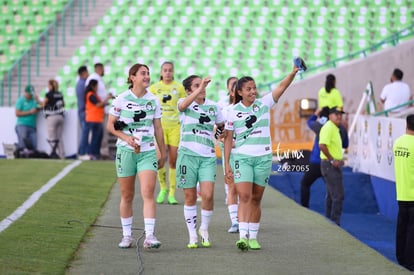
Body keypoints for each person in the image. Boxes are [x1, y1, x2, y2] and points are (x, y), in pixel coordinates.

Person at [224, 64, 300, 251]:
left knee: (257, 198)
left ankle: (253, 237)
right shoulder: (231, 112)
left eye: (254, 88)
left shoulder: (264, 104)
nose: (253, 91)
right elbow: (228, 139)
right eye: (248, 89)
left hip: (263, 158)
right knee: (245, 196)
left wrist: (292, 72)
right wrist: (227, 164)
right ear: (239, 92)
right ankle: (242, 237)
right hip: (242, 158)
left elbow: (281, 87)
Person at [107, 63, 166, 250]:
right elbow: (110, 125)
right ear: (132, 77)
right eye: (143, 73)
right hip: (125, 152)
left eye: (148, 73)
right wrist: (126, 138)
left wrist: (162, 151)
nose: (147, 76)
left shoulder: (154, 100)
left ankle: (150, 236)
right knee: (127, 195)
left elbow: (158, 127)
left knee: (148, 193)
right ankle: (127, 236)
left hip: (147, 152)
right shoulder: (121, 99)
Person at [176, 75, 224, 248]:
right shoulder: (184, 103)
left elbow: (221, 125)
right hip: (187, 155)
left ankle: (204, 229)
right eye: (196, 86)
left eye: (202, 85)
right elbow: (182, 106)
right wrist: (198, 88)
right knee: (189, 196)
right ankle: (192, 236)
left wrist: (217, 138)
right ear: (189, 90)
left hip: (208, 157)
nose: (202, 87)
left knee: (208, 195)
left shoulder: (214, 107)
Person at [149, 61, 186, 205]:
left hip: (175, 127)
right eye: (165, 70)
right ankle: (163, 188)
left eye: (170, 70)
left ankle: (171, 193)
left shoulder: (179, 87)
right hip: (159, 127)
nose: (168, 72)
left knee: (172, 160)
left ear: (173, 71)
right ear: (161, 72)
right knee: (159, 159)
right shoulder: (154, 88)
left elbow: (184, 105)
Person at [300, 107, 349, 208]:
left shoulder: (320, 126)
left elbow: (309, 122)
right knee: (332, 191)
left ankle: (305, 208)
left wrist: (316, 112)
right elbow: (345, 144)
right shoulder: (340, 128)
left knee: (305, 184)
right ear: (331, 116)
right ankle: (330, 216)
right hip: (331, 164)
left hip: (317, 162)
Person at [319, 106, 347, 226]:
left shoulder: (334, 127)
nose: (339, 116)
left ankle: (330, 222)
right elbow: (322, 145)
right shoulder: (329, 127)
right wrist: (332, 160)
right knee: (338, 195)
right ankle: (335, 223)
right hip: (329, 165)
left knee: (332, 195)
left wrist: (338, 160)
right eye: (336, 114)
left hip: (330, 165)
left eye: (340, 114)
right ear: (330, 116)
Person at [393, 114, 414, 271]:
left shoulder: (397, 143)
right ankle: (410, 262)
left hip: (401, 192)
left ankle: (400, 257)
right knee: (412, 230)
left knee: (401, 227)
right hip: (413, 194)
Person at [219, 77, 239, 233]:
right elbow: (219, 133)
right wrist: (227, 141)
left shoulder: (253, 109)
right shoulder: (225, 110)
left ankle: (247, 221)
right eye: (234, 89)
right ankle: (235, 222)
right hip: (231, 154)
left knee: (247, 191)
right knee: (232, 187)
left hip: (248, 154)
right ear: (231, 92)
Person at [80, 80, 112, 160]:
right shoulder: (90, 94)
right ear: (93, 86)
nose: (97, 88)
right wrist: (106, 99)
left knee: (96, 138)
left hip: (97, 119)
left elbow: (99, 104)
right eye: (97, 86)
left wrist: (104, 103)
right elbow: (98, 105)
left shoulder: (94, 95)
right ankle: (84, 153)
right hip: (91, 119)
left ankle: (93, 154)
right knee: (88, 137)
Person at [86, 63, 112, 158]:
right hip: (94, 116)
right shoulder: (92, 82)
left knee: (100, 135)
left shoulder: (99, 80)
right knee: (95, 136)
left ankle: (98, 153)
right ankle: (93, 153)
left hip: (99, 114)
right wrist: (106, 100)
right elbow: (96, 102)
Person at [41, 79, 65, 159]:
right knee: (59, 137)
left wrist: (38, 101)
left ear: (51, 86)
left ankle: (53, 154)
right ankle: (62, 155)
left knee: (52, 137)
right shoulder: (60, 94)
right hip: (60, 116)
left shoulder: (48, 94)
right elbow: (63, 104)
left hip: (52, 116)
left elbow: (43, 104)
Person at [15, 84, 42, 151]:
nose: (30, 95)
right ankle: (19, 152)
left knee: (33, 146)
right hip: (22, 124)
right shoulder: (20, 100)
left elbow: (44, 106)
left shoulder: (34, 100)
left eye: (31, 94)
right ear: (25, 92)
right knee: (23, 144)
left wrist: (38, 101)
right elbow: (17, 113)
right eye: (29, 94)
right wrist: (30, 112)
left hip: (32, 126)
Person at [76, 66, 89, 155]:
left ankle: (83, 151)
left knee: (85, 132)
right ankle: (82, 152)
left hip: (82, 110)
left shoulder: (81, 83)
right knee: (85, 132)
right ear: (83, 73)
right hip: (84, 111)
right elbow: (84, 99)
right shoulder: (82, 84)